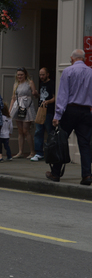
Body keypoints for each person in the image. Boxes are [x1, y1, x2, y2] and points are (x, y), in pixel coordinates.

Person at [46, 49, 92, 185]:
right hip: (85, 112)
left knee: (61, 141)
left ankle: (55, 173)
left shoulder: (68, 71)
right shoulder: (91, 72)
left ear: (72, 59)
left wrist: (57, 115)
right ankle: (86, 175)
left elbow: (63, 95)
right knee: (85, 144)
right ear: (83, 59)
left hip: (70, 110)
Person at [10, 67, 38, 159]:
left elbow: (35, 95)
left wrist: (35, 93)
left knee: (26, 130)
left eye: (21, 74)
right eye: (18, 75)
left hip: (27, 106)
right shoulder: (16, 84)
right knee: (20, 131)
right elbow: (13, 98)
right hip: (18, 106)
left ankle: (32, 151)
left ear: (25, 74)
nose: (19, 76)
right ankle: (20, 151)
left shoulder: (30, 82)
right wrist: (9, 111)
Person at [31, 67, 56, 162]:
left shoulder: (52, 84)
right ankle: (39, 153)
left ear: (47, 74)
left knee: (50, 132)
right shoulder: (41, 84)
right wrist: (36, 95)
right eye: (40, 74)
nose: (41, 76)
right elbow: (41, 96)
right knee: (38, 131)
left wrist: (48, 102)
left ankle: (51, 152)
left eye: (43, 74)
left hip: (48, 111)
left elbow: (55, 98)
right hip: (40, 110)